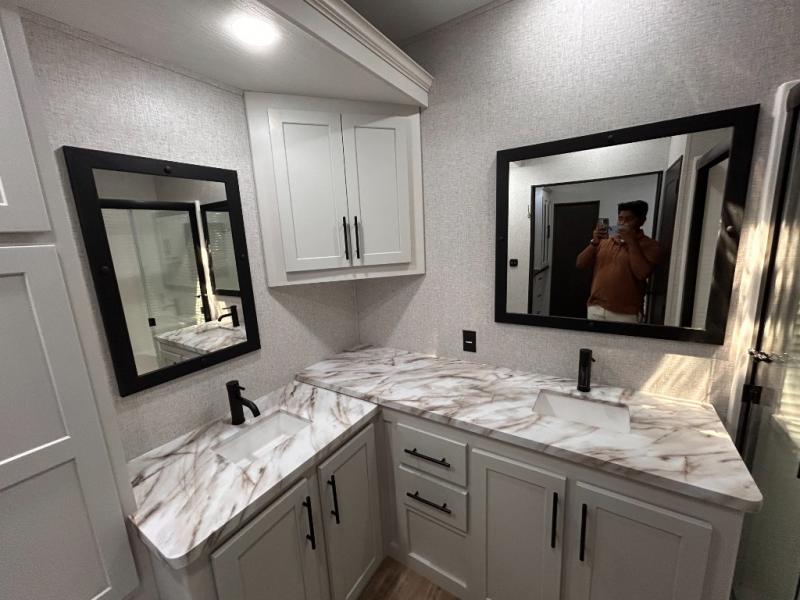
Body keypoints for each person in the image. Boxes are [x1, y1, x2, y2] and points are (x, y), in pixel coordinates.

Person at [575, 200, 660, 323]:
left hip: (626, 313)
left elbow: (642, 274)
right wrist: (594, 242)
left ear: (642, 221)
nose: (623, 223)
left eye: (629, 219)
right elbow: (580, 263)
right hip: (596, 308)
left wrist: (631, 241)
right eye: (620, 218)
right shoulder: (605, 240)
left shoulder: (651, 245)